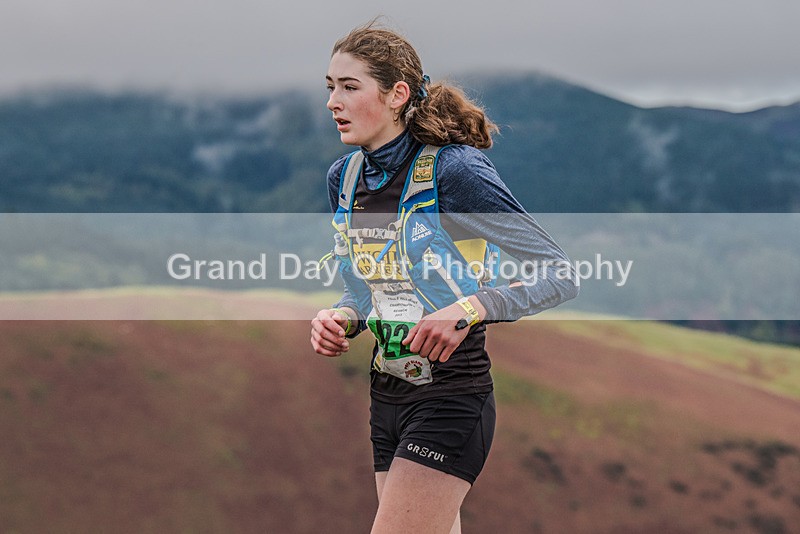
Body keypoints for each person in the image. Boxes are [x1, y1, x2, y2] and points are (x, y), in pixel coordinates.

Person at [310, 22, 578, 534]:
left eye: (349, 87)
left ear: (397, 95)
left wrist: (468, 307)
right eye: (330, 87)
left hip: (451, 399)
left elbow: (560, 274)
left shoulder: (456, 172)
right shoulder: (342, 178)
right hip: (387, 398)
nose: (332, 103)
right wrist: (342, 316)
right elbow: (367, 289)